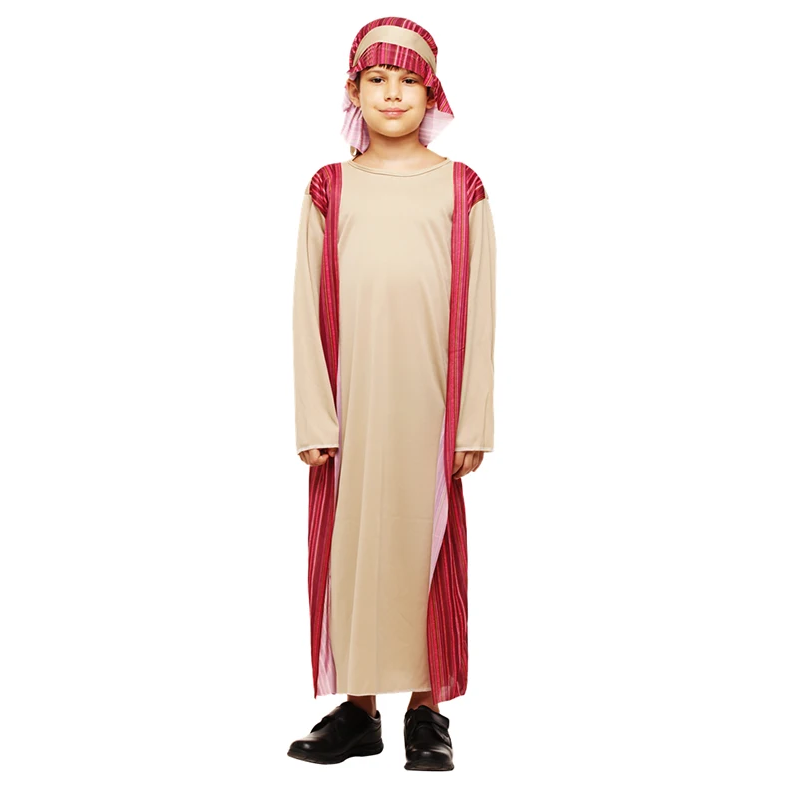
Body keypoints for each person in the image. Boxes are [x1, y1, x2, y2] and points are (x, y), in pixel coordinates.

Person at [287, 16, 496, 771]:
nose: (393, 93)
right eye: (377, 79)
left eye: (409, 80)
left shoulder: (460, 187)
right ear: (354, 90)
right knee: (354, 550)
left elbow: (480, 307)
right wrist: (316, 416)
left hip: (431, 404)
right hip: (352, 404)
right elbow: (306, 306)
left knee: (424, 545)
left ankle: (427, 711)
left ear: (432, 93)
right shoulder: (330, 188)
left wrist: (471, 421)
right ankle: (359, 710)